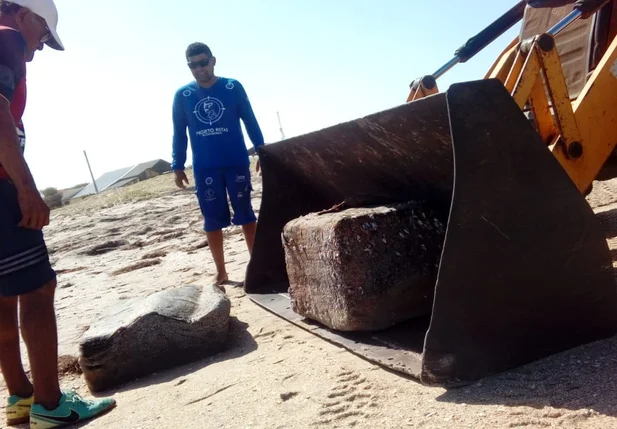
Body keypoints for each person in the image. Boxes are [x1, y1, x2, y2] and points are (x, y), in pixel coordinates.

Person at [0, 0, 116, 427]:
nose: (42, 47)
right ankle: (50, 406)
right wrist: (26, 190)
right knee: (37, 289)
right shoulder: (7, 39)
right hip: (0, 187)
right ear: (23, 15)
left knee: (3, 294)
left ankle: (20, 397)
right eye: (44, 34)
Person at [171, 42, 265, 285]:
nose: (200, 69)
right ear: (189, 67)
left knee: (246, 215)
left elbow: (250, 120)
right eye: (194, 65)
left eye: (204, 62)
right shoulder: (183, 95)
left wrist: (261, 150)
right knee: (211, 220)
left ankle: (256, 265)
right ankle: (221, 271)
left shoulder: (232, 87)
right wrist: (177, 165)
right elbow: (179, 132)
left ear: (213, 60)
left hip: (236, 162)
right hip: (205, 167)